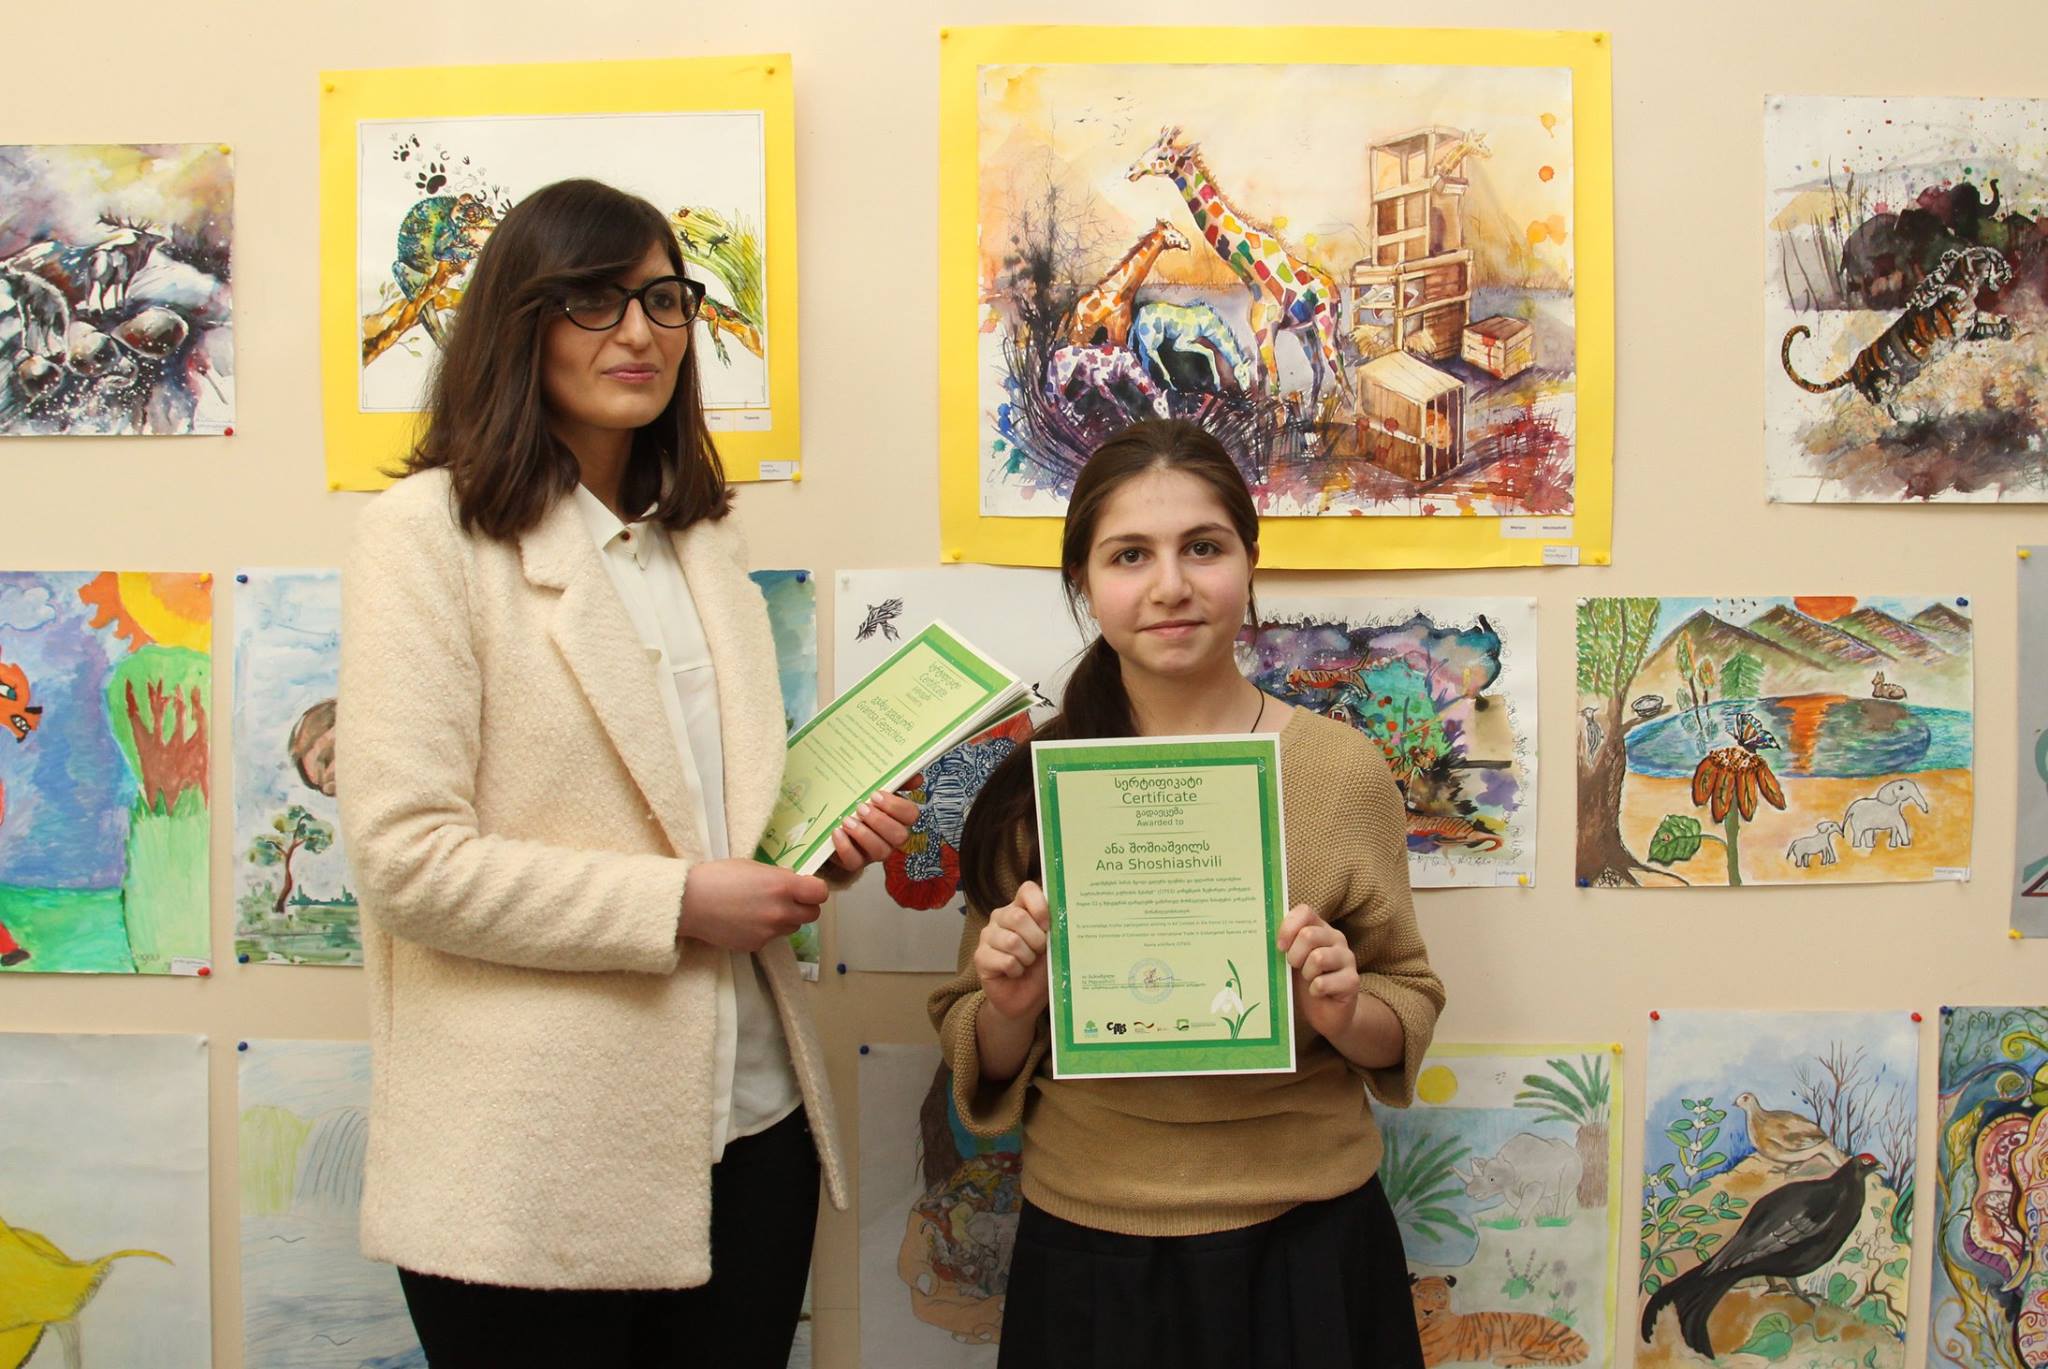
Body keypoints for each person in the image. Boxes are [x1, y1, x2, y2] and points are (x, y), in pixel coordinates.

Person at [338, 177, 917, 1368]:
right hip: (534, 1166)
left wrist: (812, 848)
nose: (640, 332)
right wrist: (682, 903)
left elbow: (704, 821)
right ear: (519, 321)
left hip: (753, 1127)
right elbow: (407, 863)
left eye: (662, 299)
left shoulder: (697, 540)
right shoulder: (424, 533)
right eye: (593, 301)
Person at [930, 418, 1446, 1369]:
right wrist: (1011, 1004)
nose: (1170, 585)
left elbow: (1403, 1001)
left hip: (1308, 1236)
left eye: (1203, 547)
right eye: (1130, 555)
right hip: (1090, 1241)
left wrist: (1340, 1009)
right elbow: (979, 1048)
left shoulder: (1340, 769)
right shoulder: (1035, 786)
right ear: (1084, 581)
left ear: (1250, 562)